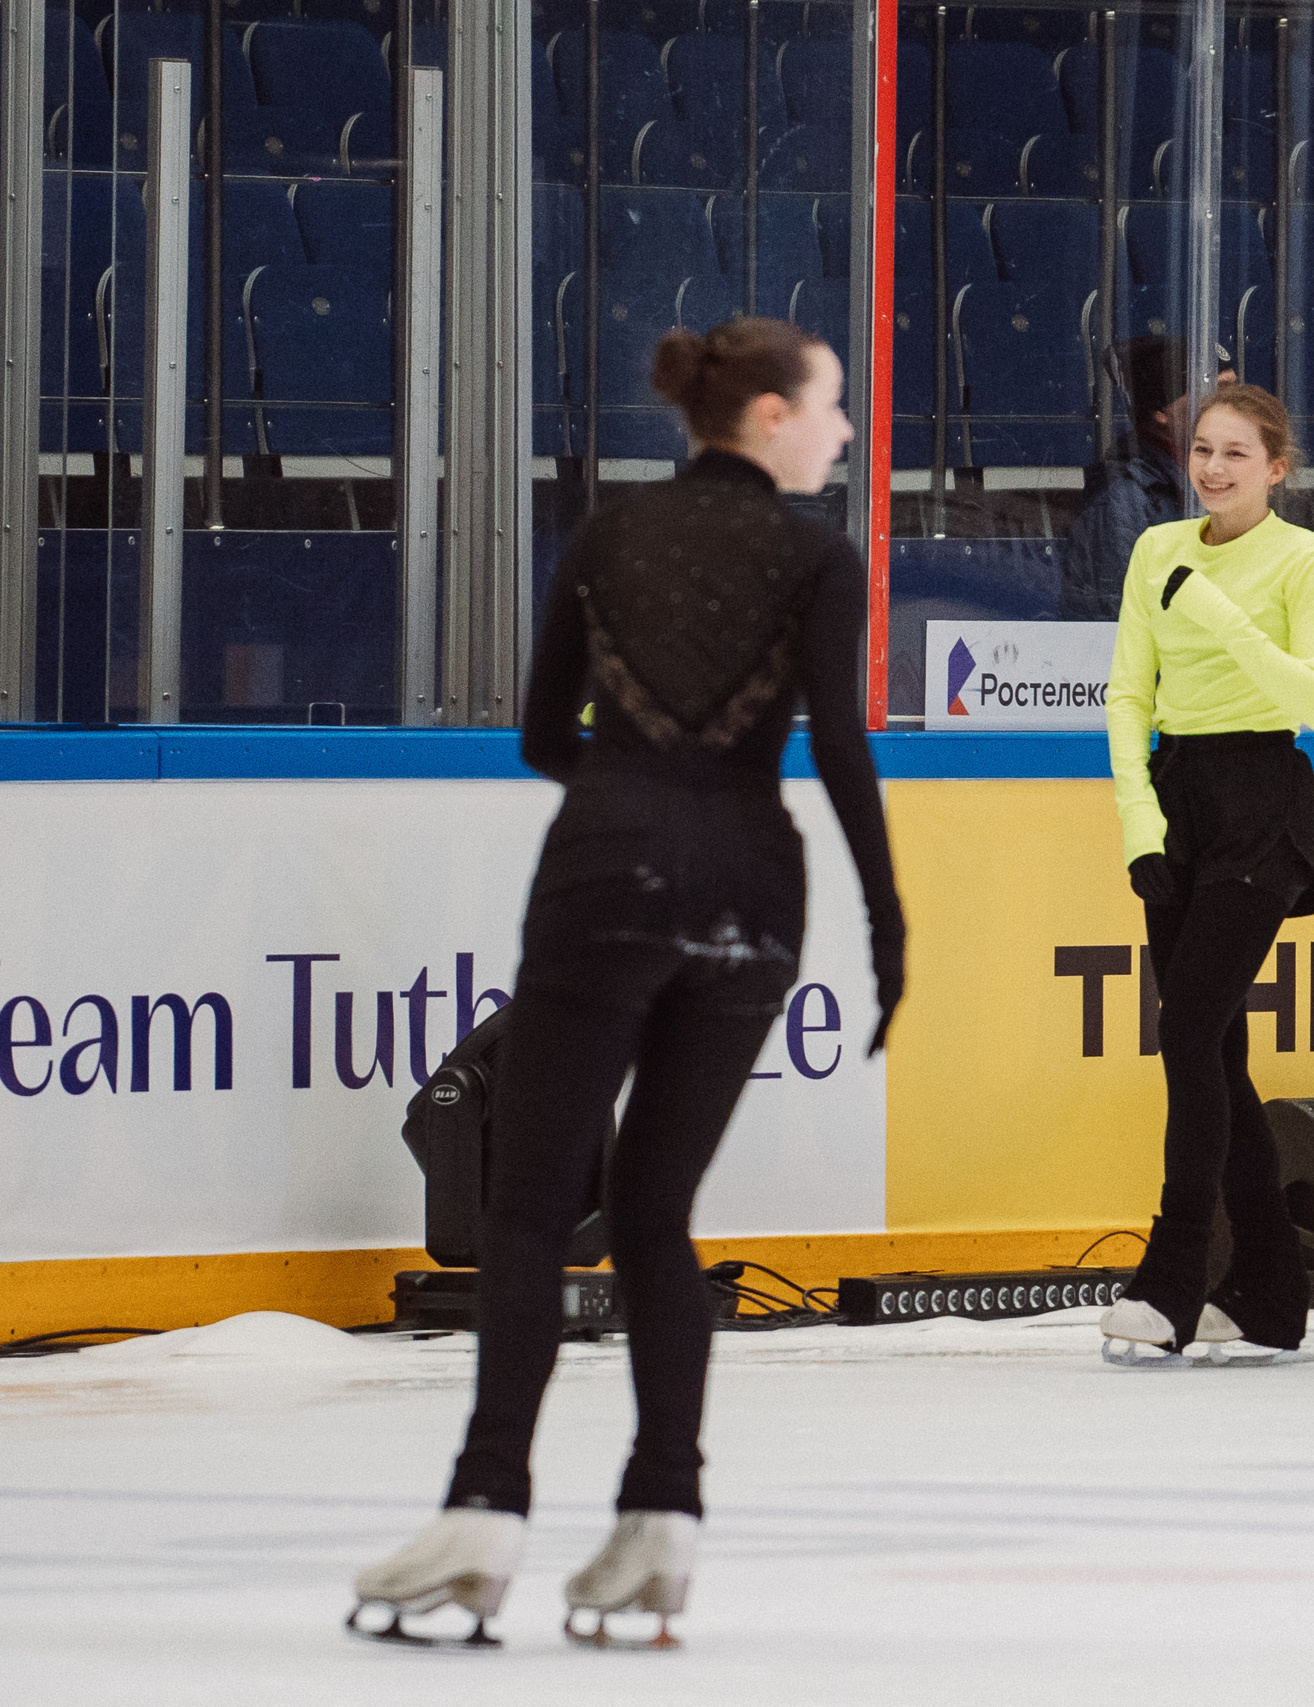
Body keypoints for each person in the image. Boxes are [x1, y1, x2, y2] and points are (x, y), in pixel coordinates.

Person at [350, 319, 906, 1646]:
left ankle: (487, 1509)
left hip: (606, 868)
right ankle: (664, 1515)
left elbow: (546, 731)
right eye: (832, 407)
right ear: (770, 414)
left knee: (536, 1206)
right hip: (755, 892)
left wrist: (631, 791)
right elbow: (836, 744)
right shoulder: (822, 556)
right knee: (658, 1211)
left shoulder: (607, 536)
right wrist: (891, 920)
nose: (843, 430)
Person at [1096, 382, 1314, 1367]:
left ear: (1276, 470)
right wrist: (1138, 824)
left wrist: (1216, 612)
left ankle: (1172, 1278)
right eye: (1202, 449)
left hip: (1262, 802)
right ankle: (1272, 1290)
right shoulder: (1155, 549)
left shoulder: (1305, 559)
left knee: (1188, 1026)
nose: (1211, 469)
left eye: (1236, 455)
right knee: (1218, 1056)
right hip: (1178, 800)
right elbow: (1127, 693)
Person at [1058, 336, 1231, 620]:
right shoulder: (1123, 501)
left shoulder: (1228, 479)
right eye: (1217, 392)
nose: (1235, 406)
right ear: (1162, 411)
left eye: (1235, 390)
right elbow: (1121, 622)